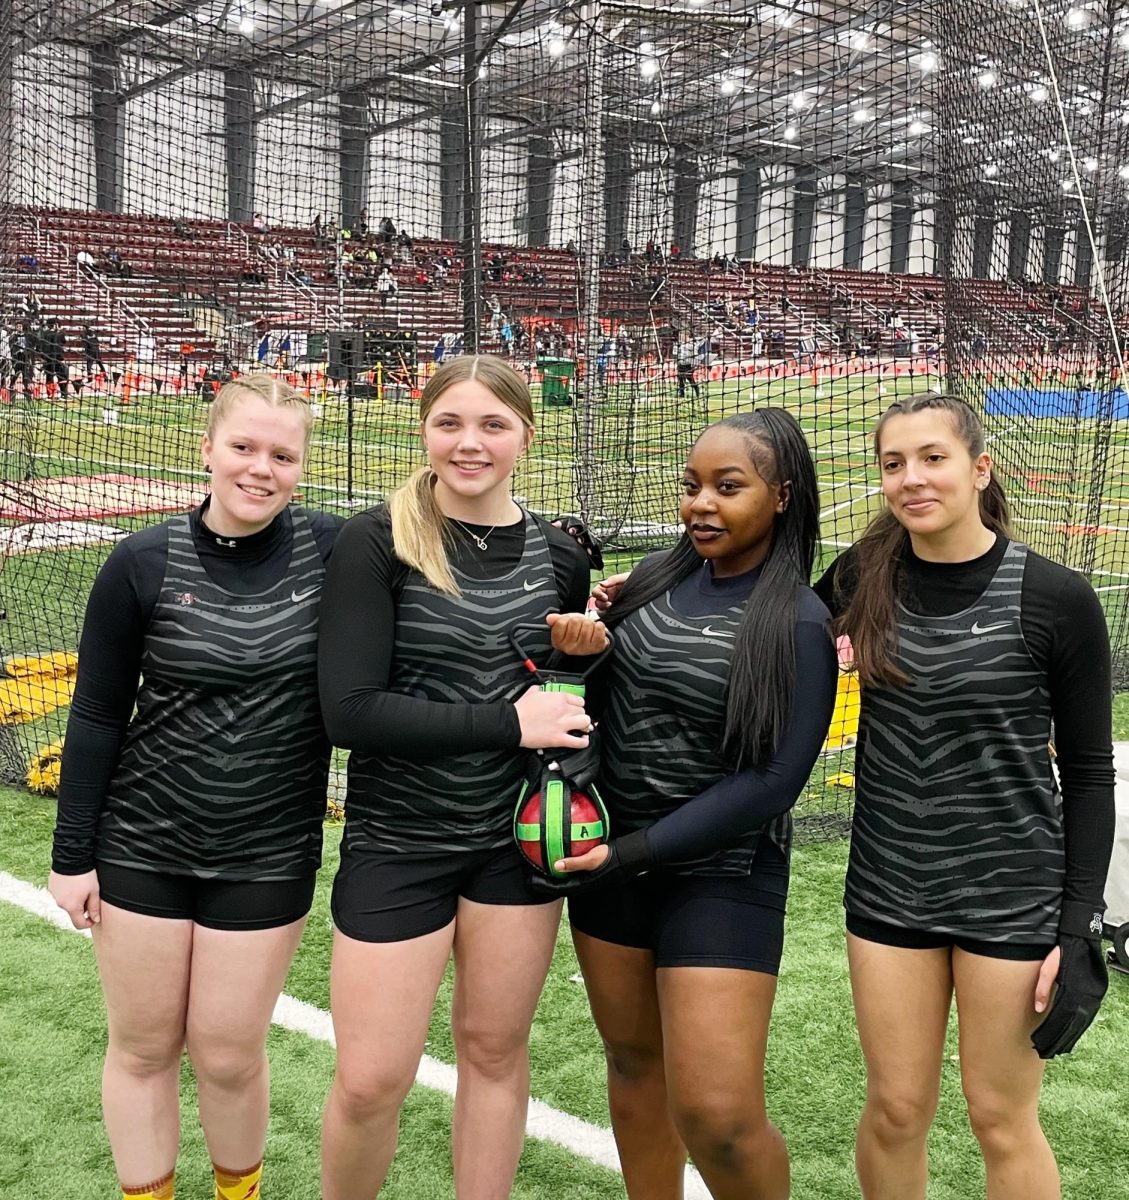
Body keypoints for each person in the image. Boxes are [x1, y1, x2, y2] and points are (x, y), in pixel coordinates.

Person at [48, 375, 342, 1200]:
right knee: (142, 1049)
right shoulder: (141, 561)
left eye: (282, 454)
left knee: (227, 1052)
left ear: (301, 466)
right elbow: (98, 714)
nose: (260, 468)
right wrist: (73, 856)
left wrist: (569, 559)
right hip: (141, 844)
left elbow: (442, 550)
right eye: (243, 447)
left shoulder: (334, 548)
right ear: (207, 449)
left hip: (267, 852)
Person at [814, 393, 1114, 1200]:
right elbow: (765, 624)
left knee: (998, 1116)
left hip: (1009, 897)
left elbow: (1088, 773)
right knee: (895, 1110)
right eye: (892, 463)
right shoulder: (856, 575)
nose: (911, 478)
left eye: (932, 458)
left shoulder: (1054, 598)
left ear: (979, 469)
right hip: (888, 891)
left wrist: (1078, 921)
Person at [317, 356, 592, 1200]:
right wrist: (510, 722)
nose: (469, 444)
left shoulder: (559, 552)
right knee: (369, 1080)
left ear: (525, 436)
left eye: (492, 425)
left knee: (495, 1052)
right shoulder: (379, 538)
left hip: (513, 847)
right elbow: (351, 713)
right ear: (423, 428)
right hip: (397, 841)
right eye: (450, 424)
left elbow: (565, 698)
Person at [550, 409, 837, 1199]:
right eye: (691, 486)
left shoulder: (799, 624)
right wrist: (575, 651)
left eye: (727, 487)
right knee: (634, 1067)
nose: (700, 504)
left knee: (718, 1115)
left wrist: (633, 852)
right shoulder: (649, 582)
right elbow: (588, 703)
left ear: (780, 497)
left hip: (720, 877)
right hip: (606, 863)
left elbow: (773, 783)